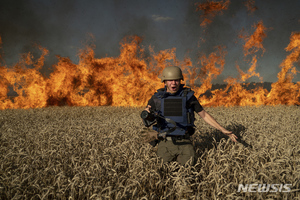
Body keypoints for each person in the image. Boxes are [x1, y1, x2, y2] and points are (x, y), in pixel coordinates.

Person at [142, 66, 238, 166]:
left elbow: (204, 114)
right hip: (165, 142)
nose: (173, 83)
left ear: (180, 81)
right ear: (165, 82)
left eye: (176, 80)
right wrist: (147, 114)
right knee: (162, 172)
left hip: (185, 142)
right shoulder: (156, 98)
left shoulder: (188, 97)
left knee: (189, 170)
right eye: (170, 80)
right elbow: (146, 116)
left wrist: (222, 129)